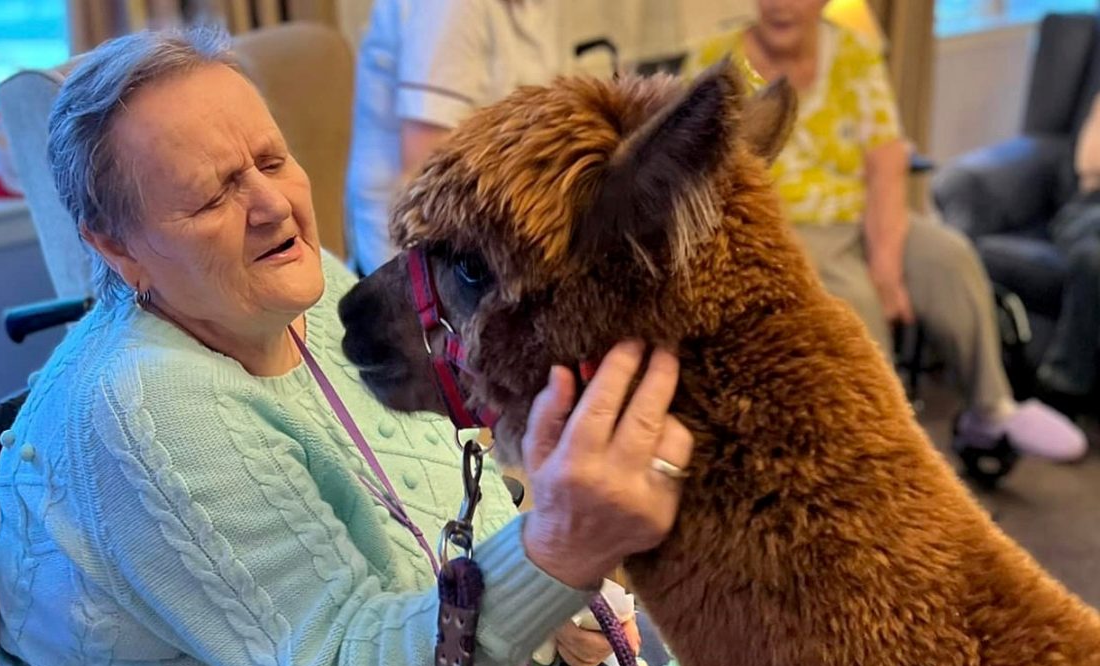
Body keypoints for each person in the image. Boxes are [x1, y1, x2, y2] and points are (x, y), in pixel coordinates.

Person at [0, 27, 692, 666]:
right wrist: (555, 554)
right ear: (117, 247)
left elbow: (436, 500)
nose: (272, 207)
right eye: (213, 195)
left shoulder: (310, 287)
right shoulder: (148, 411)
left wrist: (551, 595)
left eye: (272, 161)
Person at [685, 0, 1088, 463]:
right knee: (858, 304)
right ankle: (888, 447)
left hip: (857, 213)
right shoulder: (716, 63)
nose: (781, 4)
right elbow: (697, 177)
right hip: (783, 225)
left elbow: (885, 161)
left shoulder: (853, 53)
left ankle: (991, 407)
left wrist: (888, 262)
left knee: (950, 255)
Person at [345, 0, 625, 275]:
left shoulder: (536, 7)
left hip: (485, 222)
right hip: (420, 258)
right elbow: (427, 181)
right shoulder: (448, 9)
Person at [1032, 93, 1100, 413]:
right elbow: (1090, 162)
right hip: (1088, 210)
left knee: (1092, 257)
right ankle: (1063, 383)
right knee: (1090, 257)